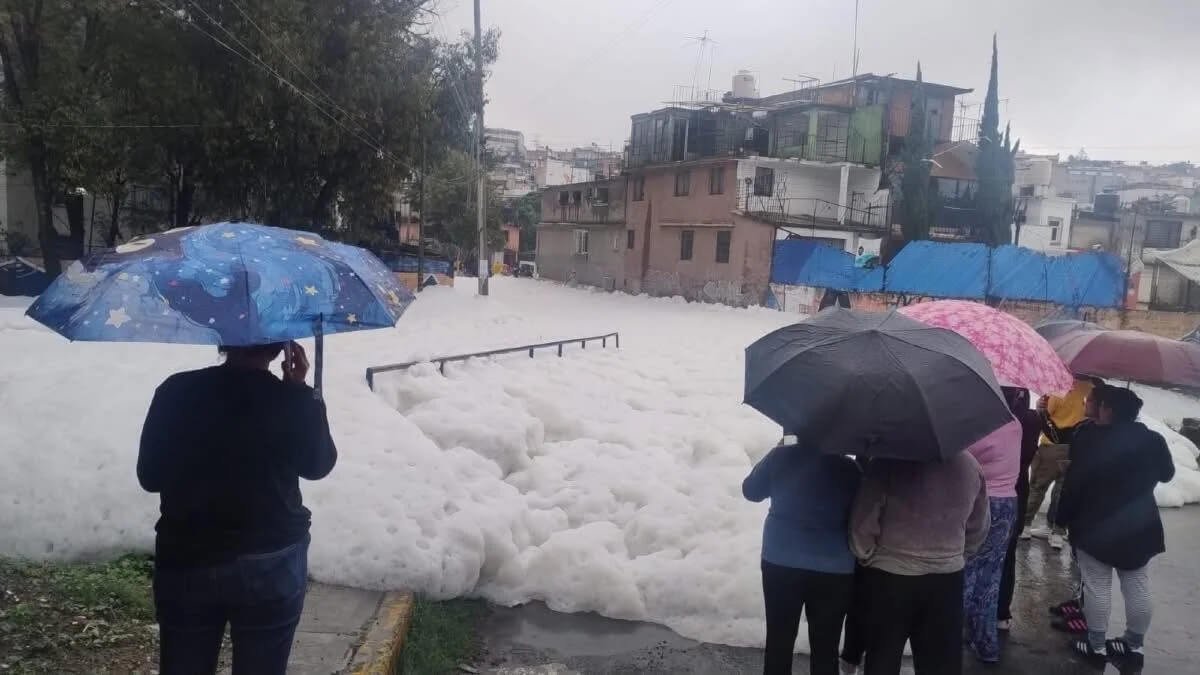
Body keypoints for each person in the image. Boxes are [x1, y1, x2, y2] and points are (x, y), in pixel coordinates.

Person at [138, 342, 338, 675]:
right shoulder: (287, 398)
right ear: (280, 348)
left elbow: (150, 477)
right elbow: (318, 466)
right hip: (271, 559)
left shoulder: (176, 391)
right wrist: (302, 393)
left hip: (187, 556)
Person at [1056, 387, 1174, 669]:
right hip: (1140, 525)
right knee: (1137, 584)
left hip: (1095, 525)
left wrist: (1062, 518)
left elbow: (1075, 484)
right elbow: (1167, 475)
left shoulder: (1089, 439)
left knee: (1097, 586)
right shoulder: (1153, 440)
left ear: (1108, 409)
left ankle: (1096, 645)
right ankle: (1134, 644)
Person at [849, 453, 990, 675]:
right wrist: (958, 554)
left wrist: (865, 554)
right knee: (940, 663)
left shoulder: (887, 461)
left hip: (890, 576)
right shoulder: (969, 465)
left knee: (882, 657)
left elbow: (863, 519)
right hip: (947, 580)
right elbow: (979, 524)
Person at [743, 445, 862, 675]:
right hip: (834, 569)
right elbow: (860, 515)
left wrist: (777, 452)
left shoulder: (781, 456)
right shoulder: (850, 469)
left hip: (781, 561)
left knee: (779, 639)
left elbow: (751, 491)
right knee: (826, 647)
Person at [961, 418, 1021, 663]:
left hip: (981, 502)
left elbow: (959, 456)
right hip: (1007, 504)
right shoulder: (1014, 423)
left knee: (966, 572)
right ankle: (986, 643)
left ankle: (949, 638)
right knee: (991, 577)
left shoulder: (979, 427)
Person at [1021, 374, 1095, 548]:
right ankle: (1056, 531)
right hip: (1077, 447)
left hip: (1051, 447)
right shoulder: (1092, 390)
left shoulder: (1060, 388)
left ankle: (1025, 525)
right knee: (1062, 490)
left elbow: (1044, 417)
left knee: (1037, 486)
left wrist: (1040, 409)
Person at [998, 387, 1042, 631]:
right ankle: (1001, 613)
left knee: (977, 553)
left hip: (989, 493)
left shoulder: (992, 417)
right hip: (1017, 491)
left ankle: (972, 609)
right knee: (1008, 554)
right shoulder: (1032, 419)